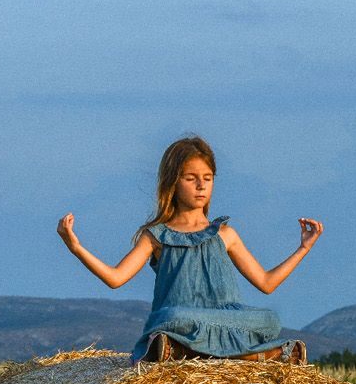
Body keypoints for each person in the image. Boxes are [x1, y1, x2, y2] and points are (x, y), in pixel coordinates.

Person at [55, 134, 323, 364]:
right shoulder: (157, 236)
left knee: (270, 320)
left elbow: (266, 283)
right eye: (191, 178)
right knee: (172, 315)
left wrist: (303, 248)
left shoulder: (225, 234)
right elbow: (116, 278)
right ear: (173, 182)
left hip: (225, 321)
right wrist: (76, 247)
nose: (201, 185)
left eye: (207, 178)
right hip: (180, 321)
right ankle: (252, 355)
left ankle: (186, 353)